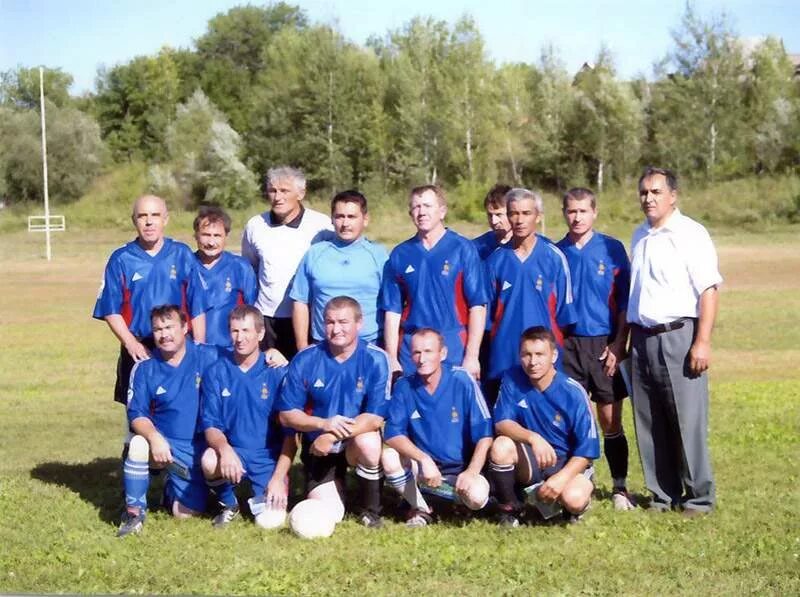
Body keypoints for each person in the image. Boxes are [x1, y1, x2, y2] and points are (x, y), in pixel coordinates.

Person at [627, 167, 721, 516]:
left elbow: (708, 290)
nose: (648, 199)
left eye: (655, 192)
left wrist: (703, 341)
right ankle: (662, 495)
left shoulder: (690, 233)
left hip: (679, 336)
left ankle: (698, 497)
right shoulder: (639, 236)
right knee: (650, 421)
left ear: (672, 195)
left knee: (687, 419)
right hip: (642, 338)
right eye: (643, 193)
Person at [278, 296, 391, 528]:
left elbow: (375, 417)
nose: (336, 329)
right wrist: (322, 425)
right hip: (319, 449)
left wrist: (332, 434)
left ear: (359, 324)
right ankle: (337, 489)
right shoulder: (306, 358)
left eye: (343, 322)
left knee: (369, 443)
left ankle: (371, 510)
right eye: (329, 322)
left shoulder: (376, 358)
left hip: (352, 442)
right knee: (327, 514)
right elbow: (287, 414)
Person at [555, 187, 634, 511]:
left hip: (604, 344)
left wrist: (619, 342)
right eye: (571, 211)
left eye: (583, 211)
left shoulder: (611, 248)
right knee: (575, 418)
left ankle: (619, 487)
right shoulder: (556, 251)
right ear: (564, 213)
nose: (577, 217)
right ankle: (580, 481)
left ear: (594, 212)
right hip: (568, 345)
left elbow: (625, 303)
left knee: (609, 418)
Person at [93, 194, 207, 406]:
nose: (149, 221)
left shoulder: (181, 254)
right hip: (139, 348)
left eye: (155, 215)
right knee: (138, 421)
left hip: (178, 347)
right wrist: (131, 344)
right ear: (133, 220)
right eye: (142, 216)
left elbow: (197, 304)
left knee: (179, 413)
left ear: (166, 219)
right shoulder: (121, 258)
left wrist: (198, 349)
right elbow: (110, 308)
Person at [117, 305, 219, 537]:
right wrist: (154, 438)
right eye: (158, 329)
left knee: (184, 514)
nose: (164, 335)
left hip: (201, 447)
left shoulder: (210, 355)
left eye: (170, 327)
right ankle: (134, 513)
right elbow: (137, 415)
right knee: (138, 444)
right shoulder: (145, 368)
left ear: (185, 328)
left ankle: (175, 489)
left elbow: (245, 357)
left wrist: (273, 354)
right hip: (165, 445)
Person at [488, 326, 599, 527]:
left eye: (540, 354)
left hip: (567, 462)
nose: (533, 362)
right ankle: (510, 509)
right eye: (526, 355)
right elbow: (501, 423)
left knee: (574, 499)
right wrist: (533, 438)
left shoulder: (572, 392)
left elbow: (587, 451)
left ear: (554, 355)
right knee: (501, 445)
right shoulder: (512, 378)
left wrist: (561, 479)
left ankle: (572, 507)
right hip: (533, 459)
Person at [382, 328, 493, 527]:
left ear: (442, 353)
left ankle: (458, 504)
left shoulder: (462, 380)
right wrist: (423, 459)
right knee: (389, 457)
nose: (421, 358)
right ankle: (423, 509)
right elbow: (392, 434)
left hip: (461, 469)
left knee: (476, 497)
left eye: (428, 351)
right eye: (416, 352)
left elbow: (485, 433)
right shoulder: (404, 385)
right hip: (424, 469)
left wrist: (472, 471)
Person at [200, 305, 296, 529]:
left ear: (260, 334)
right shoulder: (216, 372)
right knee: (209, 460)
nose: (240, 338)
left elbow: (292, 436)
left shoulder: (278, 372)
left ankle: (269, 488)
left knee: (270, 523)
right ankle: (228, 503)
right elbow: (211, 426)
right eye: (234, 331)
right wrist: (225, 451)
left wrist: (278, 478)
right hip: (235, 452)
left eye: (246, 331)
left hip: (268, 458)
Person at [381, 185, 487, 378]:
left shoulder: (463, 249)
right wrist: (391, 357)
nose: (421, 212)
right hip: (412, 347)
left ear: (442, 211)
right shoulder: (400, 254)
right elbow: (392, 310)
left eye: (428, 206)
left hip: (453, 343)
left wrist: (472, 355)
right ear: (410, 213)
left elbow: (478, 306)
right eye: (416, 207)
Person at [484, 188, 576, 404]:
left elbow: (565, 315)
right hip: (504, 358)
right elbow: (487, 318)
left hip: (543, 359)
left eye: (526, 213)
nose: (519, 219)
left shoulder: (554, 257)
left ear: (538, 216)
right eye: (514, 213)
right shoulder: (494, 261)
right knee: (504, 429)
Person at [241, 166, 332, 359]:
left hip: (307, 316)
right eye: (273, 190)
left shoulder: (321, 225)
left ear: (301, 193)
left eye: (284, 191)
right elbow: (250, 266)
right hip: (267, 317)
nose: (277, 197)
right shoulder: (255, 225)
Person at [290, 190, 389, 351]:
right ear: (332, 219)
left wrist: (389, 351)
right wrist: (302, 348)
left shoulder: (379, 255)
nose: (345, 223)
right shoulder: (315, 253)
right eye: (339, 216)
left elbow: (391, 306)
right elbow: (300, 301)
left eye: (352, 217)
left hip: (369, 345)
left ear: (365, 219)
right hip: (323, 345)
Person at [193, 206, 258, 349]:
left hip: (230, 350)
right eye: (205, 235)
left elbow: (252, 312)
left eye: (217, 236)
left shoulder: (240, 267)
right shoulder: (186, 266)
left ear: (226, 237)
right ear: (196, 235)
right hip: (192, 350)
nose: (211, 242)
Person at [472, 183, 512, 260]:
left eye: (499, 215)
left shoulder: (526, 245)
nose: (494, 221)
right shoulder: (478, 246)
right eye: (490, 215)